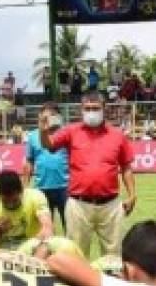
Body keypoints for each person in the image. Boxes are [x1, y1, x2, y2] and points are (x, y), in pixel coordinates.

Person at [39, 90, 137, 259]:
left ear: (104, 108)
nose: (91, 112)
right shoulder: (71, 131)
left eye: (95, 108)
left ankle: (110, 285)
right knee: (76, 255)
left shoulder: (117, 135)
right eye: (88, 108)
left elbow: (126, 167)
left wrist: (132, 194)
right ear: (81, 109)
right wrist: (43, 131)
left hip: (111, 205)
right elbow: (49, 145)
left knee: (114, 257)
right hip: (79, 205)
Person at [0, 171, 53, 250]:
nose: (10, 204)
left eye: (14, 200)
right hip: (0, 252)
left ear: (22, 191)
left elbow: (47, 227)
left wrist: (38, 242)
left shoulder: (35, 197)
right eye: (5, 201)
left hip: (30, 249)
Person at [23, 102, 70, 231]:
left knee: (70, 226)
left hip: (65, 188)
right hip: (41, 189)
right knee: (45, 228)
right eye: (45, 116)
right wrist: (25, 188)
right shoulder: (33, 136)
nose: (48, 119)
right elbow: (29, 162)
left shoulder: (66, 134)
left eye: (53, 115)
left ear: (58, 117)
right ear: (40, 117)